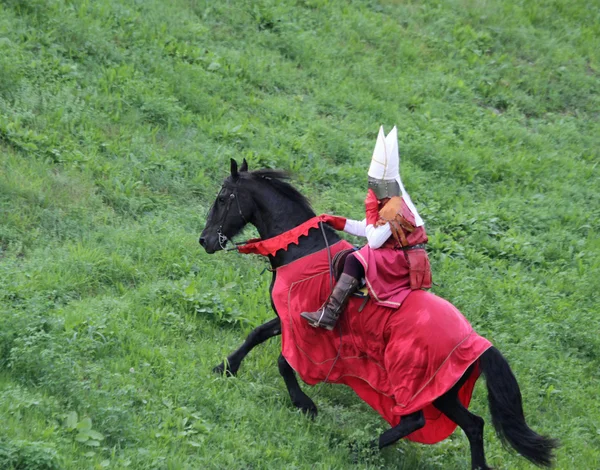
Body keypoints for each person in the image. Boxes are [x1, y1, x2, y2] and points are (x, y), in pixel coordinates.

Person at [301, 126, 432, 330]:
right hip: (396, 253)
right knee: (350, 255)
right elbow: (369, 228)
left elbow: (374, 240)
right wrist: (339, 222)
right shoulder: (390, 201)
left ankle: (330, 314)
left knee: (356, 258)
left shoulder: (396, 206)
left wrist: (371, 211)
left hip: (403, 260)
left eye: (376, 183)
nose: (372, 187)